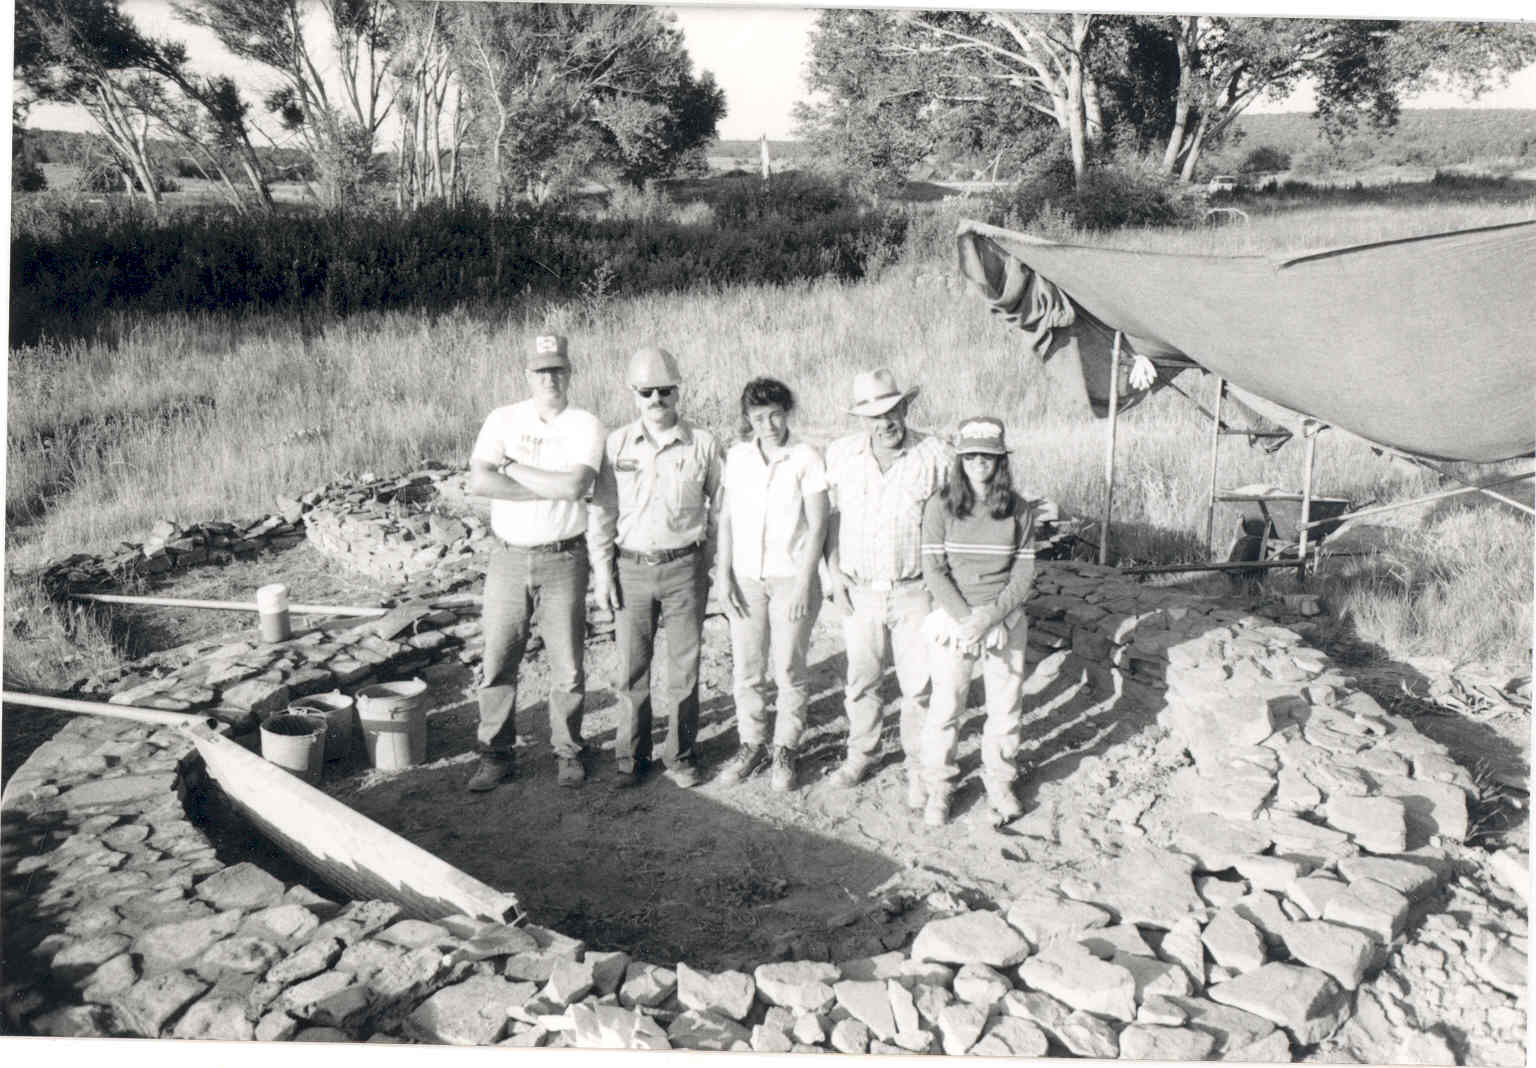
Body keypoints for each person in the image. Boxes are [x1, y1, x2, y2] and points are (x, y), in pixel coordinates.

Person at [465, 333, 608, 793]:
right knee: (499, 659)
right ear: (527, 374)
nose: (550, 378)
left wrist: (511, 467)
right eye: (541, 370)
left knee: (567, 663)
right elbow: (480, 483)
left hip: (563, 557)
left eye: (558, 369)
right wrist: (547, 483)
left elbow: (574, 487)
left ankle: (568, 751)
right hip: (508, 556)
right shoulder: (503, 419)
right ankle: (496, 755)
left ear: (570, 372)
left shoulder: (586, 423)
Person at [589, 346, 723, 789]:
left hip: (685, 567)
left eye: (665, 390)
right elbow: (603, 513)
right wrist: (603, 573)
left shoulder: (703, 443)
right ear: (633, 394)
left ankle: (681, 757)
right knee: (632, 670)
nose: (656, 399)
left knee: (685, 670)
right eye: (647, 391)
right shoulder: (616, 445)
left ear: (677, 391)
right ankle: (631, 758)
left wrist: (709, 564)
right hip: (631, 570)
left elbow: (721, 510)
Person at [823, 369, 953, 804]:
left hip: (915, 590)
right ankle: (862, 752)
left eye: (891, 411)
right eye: (874, 416)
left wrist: (945, 590)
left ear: (905, 407)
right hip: (860, 590)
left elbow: (955, 519)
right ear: (861, 420)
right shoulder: (841, 456)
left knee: (919, 685)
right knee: (862, 679)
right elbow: (829, 518)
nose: (885, 423)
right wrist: (833, 572)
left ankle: (918, 762)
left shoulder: (935, 455)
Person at [917, 416, 1037, 828]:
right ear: (960, 459)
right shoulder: (940, 505)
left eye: (988, 456)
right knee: (946, 706)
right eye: (971, 456)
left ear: (1000, 460)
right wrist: (967, 619)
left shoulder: (1018, 509)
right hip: (955, 620)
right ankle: (939, 785)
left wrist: (992, 615)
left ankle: (1000, 781)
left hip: (1003, 616)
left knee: (1005, 708)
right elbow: (933, 569)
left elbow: (1023, 575)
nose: (979, 463)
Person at [714, 377, 829, 793]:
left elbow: (818, 526)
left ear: (788, 412)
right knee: (747, 668)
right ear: (748, 419)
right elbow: (725, 519)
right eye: (759, 417)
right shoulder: (738, 457)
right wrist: (723, 574)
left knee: (787, 668)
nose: (768, 424)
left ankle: (785, 748)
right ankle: (752, 744)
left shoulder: (805, 458)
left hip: (790, 580)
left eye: (776, 415)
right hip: (747, 579)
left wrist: (803, 583)